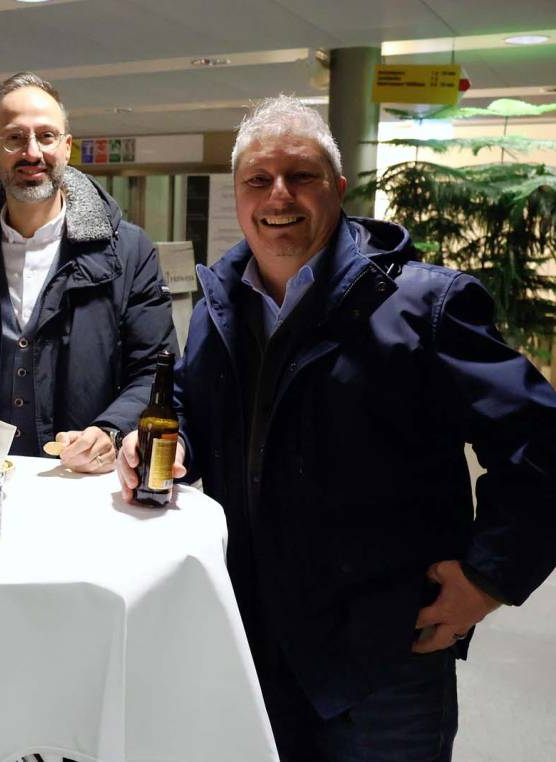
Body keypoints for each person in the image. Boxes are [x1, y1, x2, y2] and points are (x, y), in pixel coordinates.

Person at [116, 95, 556, 760]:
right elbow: (196, 407)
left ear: (339, 188)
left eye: (302, 176)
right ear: (238, 194)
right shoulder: (220, 305)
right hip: (253, 640)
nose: (279, 195)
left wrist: (489, 579)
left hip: (383, 660)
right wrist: (160, 443)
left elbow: (540, 443)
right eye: (258, 179)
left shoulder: (425, 306)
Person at [0, 72, 176, 473]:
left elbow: (153, 369)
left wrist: (111, 430)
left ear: (67, 147)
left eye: (46, 136)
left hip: (81, 483)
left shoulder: (130, 253)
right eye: (14, 138)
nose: (32, 153)